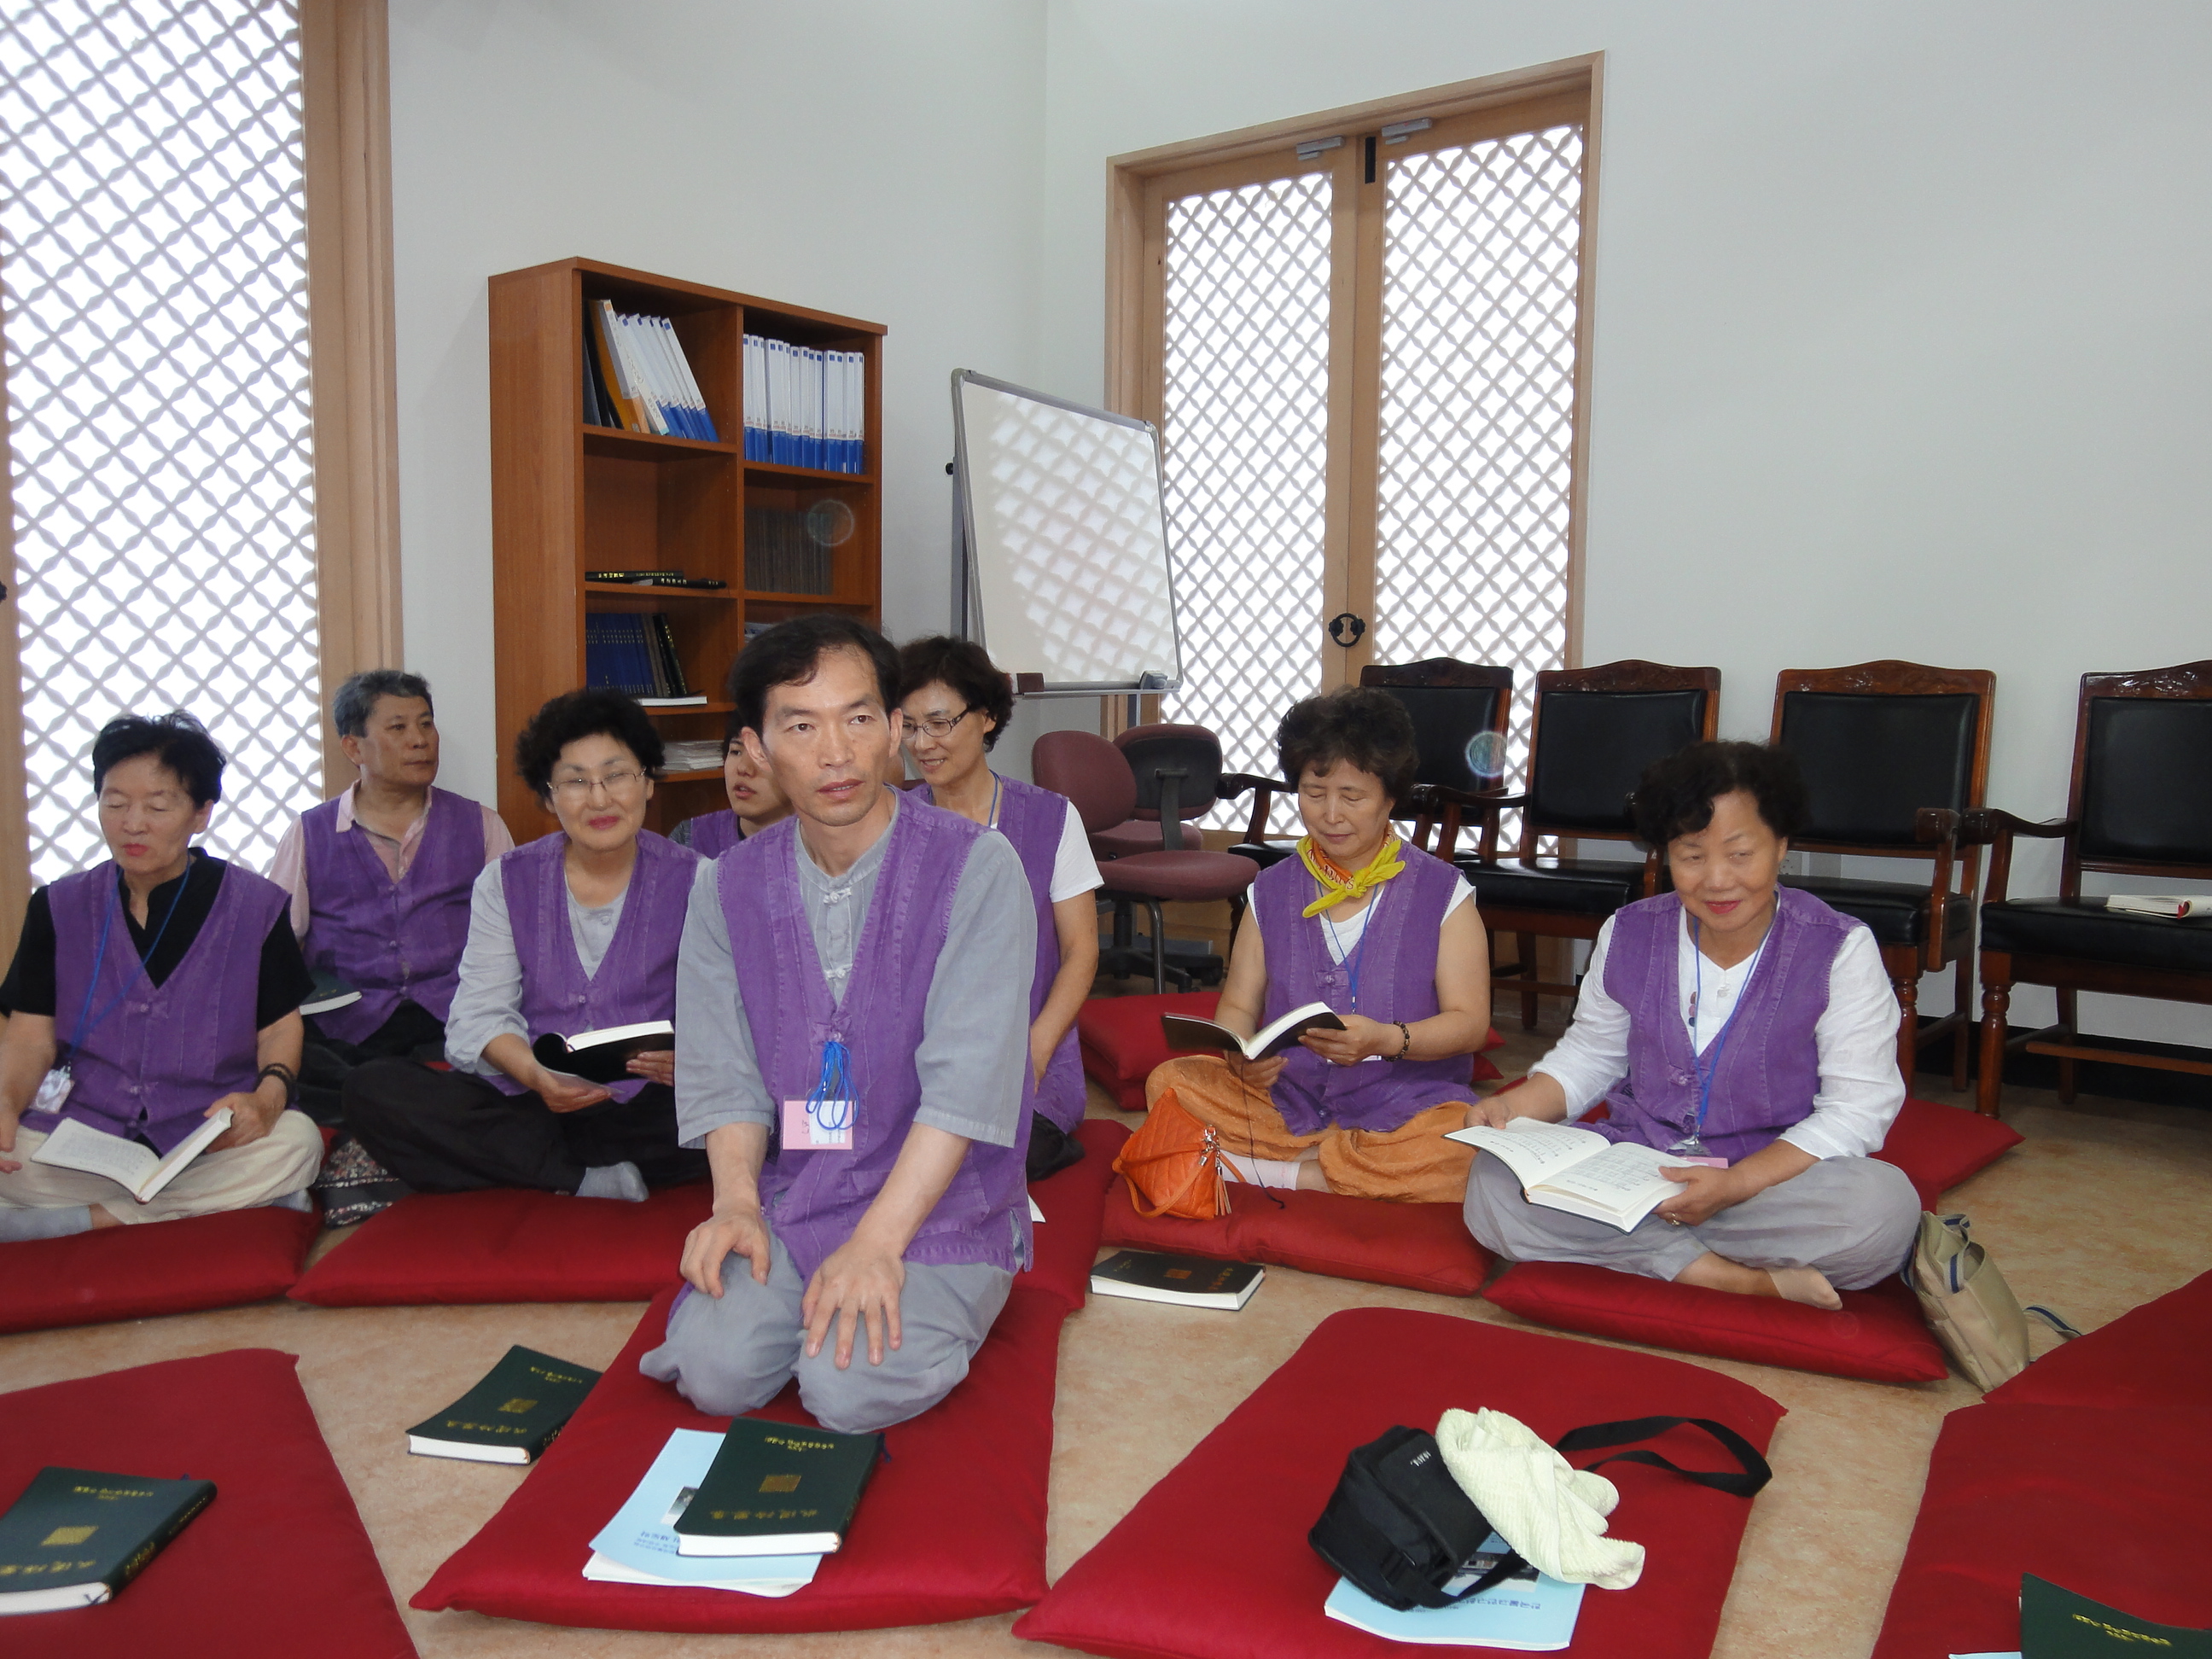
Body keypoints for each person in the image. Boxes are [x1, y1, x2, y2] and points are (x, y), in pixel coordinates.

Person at [641, 615, 1036, 1435]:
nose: (835, 753)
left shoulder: (976, 866)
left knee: (845, 1391)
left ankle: (965, 1285)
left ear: (893, 729)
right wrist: (737, 1204)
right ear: (757, 748)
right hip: (803, 1191)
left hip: (942, 1206)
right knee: (713, 1373)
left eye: (858, 719)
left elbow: (969, 1085)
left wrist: (879, 1242)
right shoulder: (725, 886)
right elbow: (723, 1072)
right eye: (800, 726)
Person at [1459, 741, 1920, 1308]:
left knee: (1884, 1210)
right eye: (1692, 856)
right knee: (1493, 1184)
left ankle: (1633, 1247)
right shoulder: (1629, 931)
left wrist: (1736, 1185)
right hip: (1640, 1164)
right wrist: (1514, 1107)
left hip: (1768, 1176)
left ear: (1781, 846)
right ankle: (1725, 1276)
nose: (1717, 880)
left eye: (1740, 853)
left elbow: (1857, 1110)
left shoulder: (1839, 949)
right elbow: (1592, 1056)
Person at [339, 689, 707, 1207]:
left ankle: (531, 1168)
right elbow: (478, 1014)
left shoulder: (700, 881)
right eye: (575, 781)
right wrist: (535, 1075)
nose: (599, 799)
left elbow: (731, 1014)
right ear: (549, 796)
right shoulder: (506, 881)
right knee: (373, 1089)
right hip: (535, 1101)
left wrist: (692, 1057)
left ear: (647, 782)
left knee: (746, 1112)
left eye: (617, 775)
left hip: (651, 1105)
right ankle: (581, 1177)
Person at [1144, 687, 1493, 1202]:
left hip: (1407, 1103)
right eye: (1314, 793)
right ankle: (1343, 1173)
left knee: (1466, 1144)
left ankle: (1282, 1173)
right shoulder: (1270, 891)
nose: (1330, 815)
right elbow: (1238, 1005)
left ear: (1390, 797)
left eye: (1352, 797)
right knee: (1170, 1083)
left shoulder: (1443, 893)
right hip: (1290, 1099)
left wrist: (1385, 1040)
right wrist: (1240, 1057)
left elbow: (1470, 1023)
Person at [0, 713, 323, 1239]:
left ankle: (86, 1221)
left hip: (203, 1134)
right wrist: (6, 1104)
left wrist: (267, 1101)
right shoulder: (57, 906)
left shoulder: (256, 906)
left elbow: (280, 1028)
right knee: (10, 1153)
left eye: (157, 806)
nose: (133, 824)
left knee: (298, 1141)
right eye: (115, 803)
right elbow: (29, 1036)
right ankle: (216, 1204)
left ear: (201, 814)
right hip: (83, 1131)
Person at [897, 635, 1100, 1179]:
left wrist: (1036, 1050)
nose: (922, 744)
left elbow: (1081, 951)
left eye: (939, 723)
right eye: (909, 726)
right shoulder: (893, 824)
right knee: (856, 1141)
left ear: (986, 717)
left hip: (1026, 1051)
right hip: (917, 1056)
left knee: (992, 1153)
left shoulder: (1052, 818)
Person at [266, 669, 512, 1115]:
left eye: (426, 724)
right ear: (353, 747)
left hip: (452, 1021)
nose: (419, 741)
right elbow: (275, 944)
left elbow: (517, 936)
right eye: (398, 728)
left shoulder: (481, 825)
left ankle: (393, 1113)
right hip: (347, 1031)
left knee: (487, 1073)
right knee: (315, 1073)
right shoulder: (309, 833)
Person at [669, 723, 792, 856]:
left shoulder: (809, 846)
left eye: (762, 754)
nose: (743, 768)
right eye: (736, 752)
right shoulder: (689, 838)